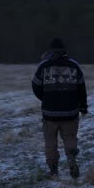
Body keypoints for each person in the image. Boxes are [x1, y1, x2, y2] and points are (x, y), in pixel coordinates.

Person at [32, 38, 88, 179]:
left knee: (50, 140)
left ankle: (53, 170)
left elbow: (35, 85)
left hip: (49, 113)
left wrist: (45, 98)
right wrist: (83, 106)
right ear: (64, 50)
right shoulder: (74, 65)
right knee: (70, 137)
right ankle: (71, 158)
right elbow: (81, 88)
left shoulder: (43, 66)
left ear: (50, 50)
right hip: (70, 112)